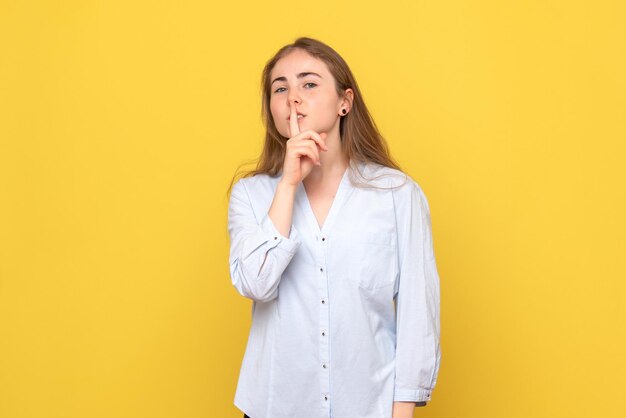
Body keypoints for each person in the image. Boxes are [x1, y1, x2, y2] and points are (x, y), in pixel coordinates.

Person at [227, 37, 441, 418]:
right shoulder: (251, 194)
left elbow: (417, 317)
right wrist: (288, 185)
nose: (294, 96)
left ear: (345, 102)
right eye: (280, 88)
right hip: (274, 407)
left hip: (368, 407)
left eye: (309, 83)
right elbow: (256, 284)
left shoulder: (397, 195)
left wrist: (402, 410)